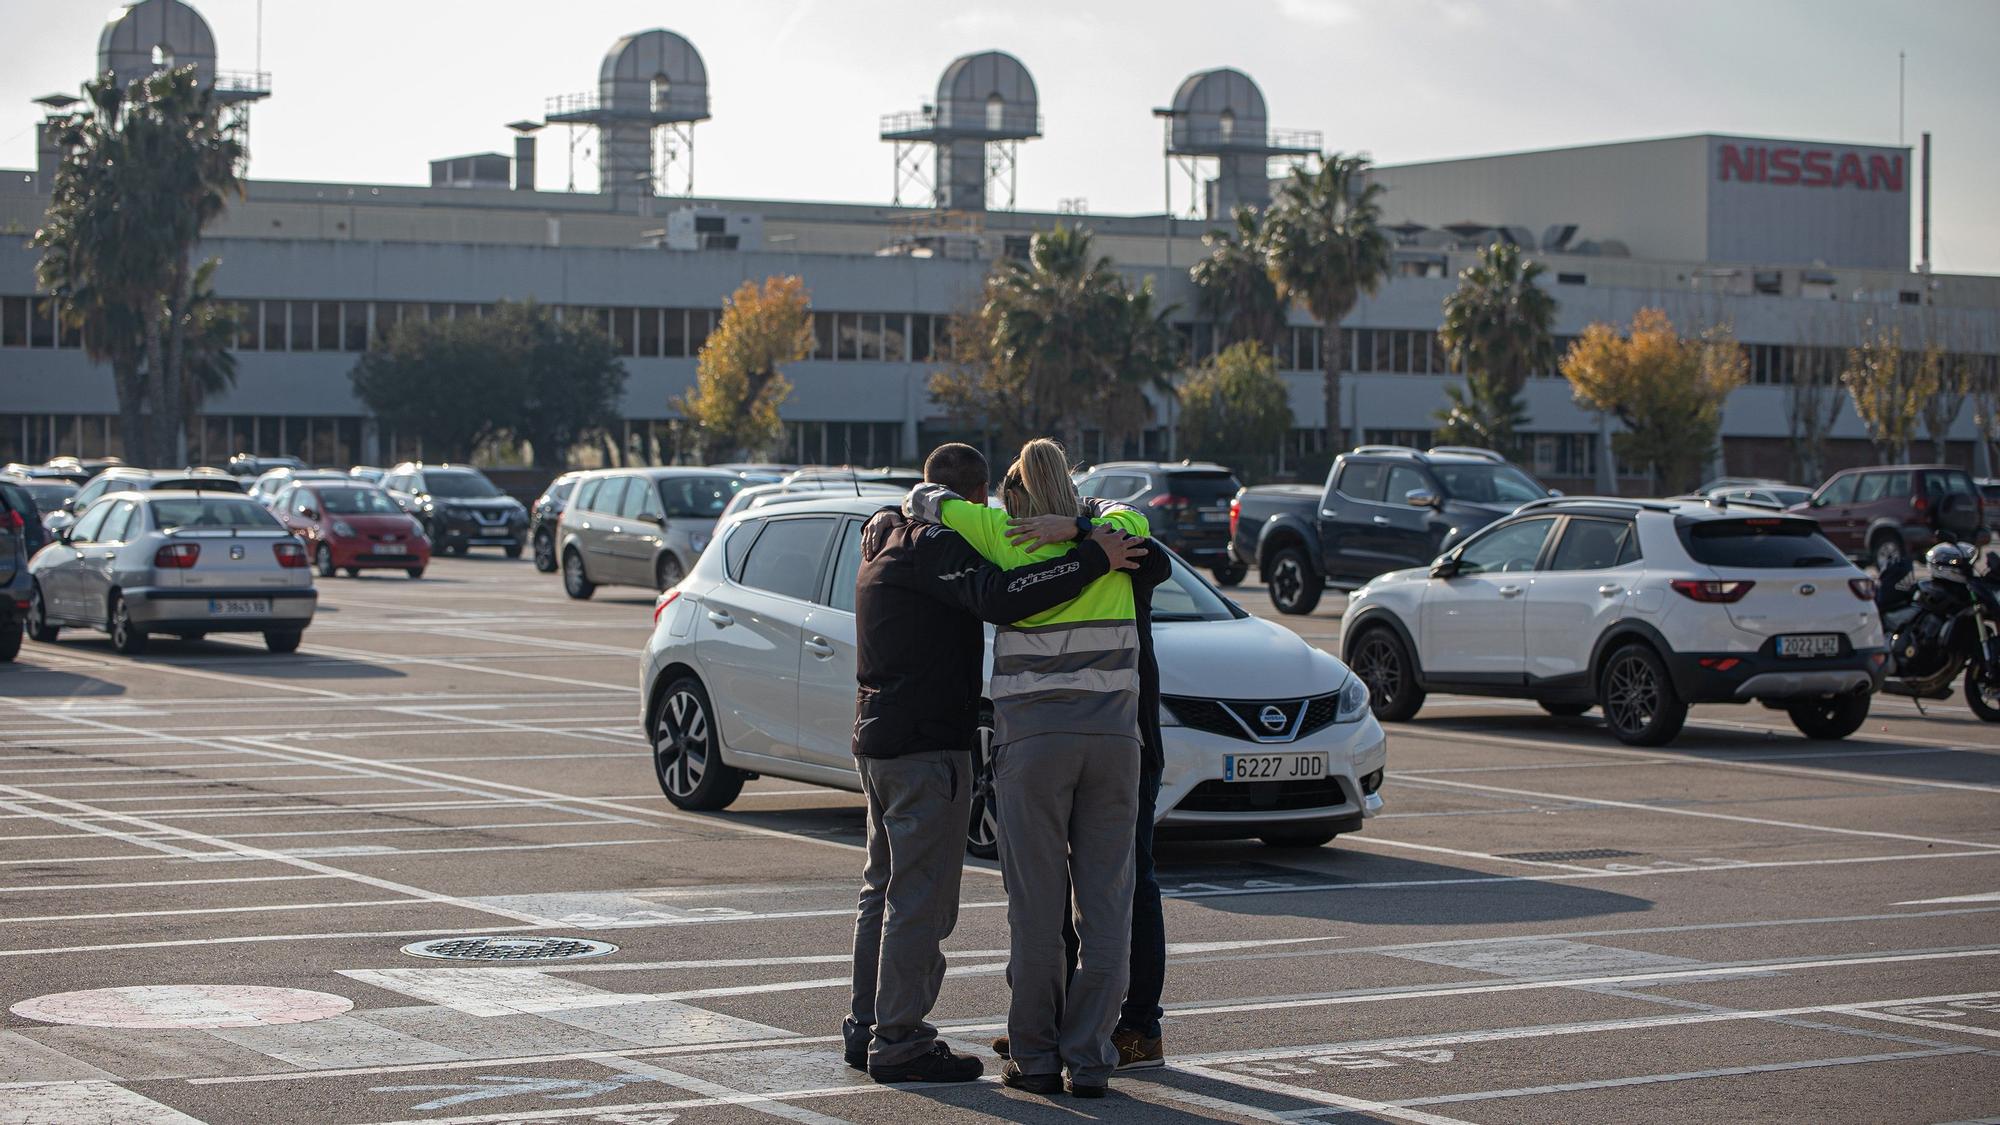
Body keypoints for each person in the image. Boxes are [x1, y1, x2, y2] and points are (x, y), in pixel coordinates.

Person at [846, 442, 1147, 1085]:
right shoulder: (1121, 544)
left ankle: (1031, 1056)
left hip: (1026, 744)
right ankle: (1090, 1057)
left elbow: (937, 506)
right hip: (1114, 744)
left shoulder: (995, 533)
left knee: (1031, 908)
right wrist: (1089, 535)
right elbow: (1134, 525)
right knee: (1107, 907)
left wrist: (919, 503)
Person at [991, 490, 1170, 1071]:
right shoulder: (1105, 538)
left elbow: (1154, 556)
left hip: (1084, 732)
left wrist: (1080, 533)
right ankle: (1080, 1040)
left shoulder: (1098, 539)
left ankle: (1125, 1027)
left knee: (1066, 897)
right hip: (1118, 733)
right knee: (1109, 898)